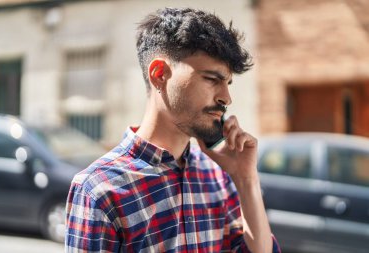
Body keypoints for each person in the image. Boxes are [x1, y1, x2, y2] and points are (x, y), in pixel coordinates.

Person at [65, 7, 281, 253]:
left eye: (227, 83)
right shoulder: (98, 190)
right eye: (212, 79)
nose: (226, 98)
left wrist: (246, 179)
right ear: (159, 74)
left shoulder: (219, 176)